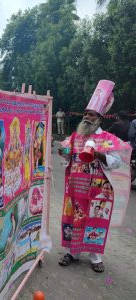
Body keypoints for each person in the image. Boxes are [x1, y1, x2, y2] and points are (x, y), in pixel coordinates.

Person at [58, 80, 131, 273]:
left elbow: (118, 163)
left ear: (99, 117)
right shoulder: (75, 136)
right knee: (73, 219)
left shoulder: (108, 138)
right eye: (85, 114)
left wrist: (99, 155)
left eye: (91, 114)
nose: (87, 117)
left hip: (99, 192)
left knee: (95, 221)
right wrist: (63, 152)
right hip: (75, 188)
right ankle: (72, 253)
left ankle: (95, 257)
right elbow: (68, 157)